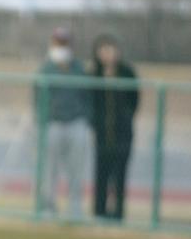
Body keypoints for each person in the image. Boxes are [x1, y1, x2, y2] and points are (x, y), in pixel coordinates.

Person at [34, 27, 93, 222]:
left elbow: (88, 96)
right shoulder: (46, 68)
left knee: (76, 169)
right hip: (53, 123)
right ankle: (48, 208)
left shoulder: (79, 68)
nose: (62, 47)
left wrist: (85, 118)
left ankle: (75, 209)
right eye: (59, 43)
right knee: (50, 169)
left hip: (76, 122)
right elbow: (37, 98)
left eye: (65, 43)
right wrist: (41, 122)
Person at [90, 34, 138, 221]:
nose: (107, 54)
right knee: (101, 175)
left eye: (110, 49)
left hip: (122, 135)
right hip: (102, 135)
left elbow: (134, 101)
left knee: (120, 177)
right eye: (103, 50)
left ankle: (118, 214)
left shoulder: (126, 72)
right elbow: (91, 102)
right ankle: (99, 213)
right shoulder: (94, 74)